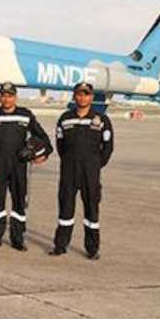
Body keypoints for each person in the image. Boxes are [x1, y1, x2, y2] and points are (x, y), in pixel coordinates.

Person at [0, 82, 52, 251]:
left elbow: (43, 138)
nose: (7, 99)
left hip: (19, 165)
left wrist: (42, 155)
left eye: (10, 95)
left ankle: (17, 239)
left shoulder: (25, 115)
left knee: (19, 203)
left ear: (15, 97)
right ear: (0, 97)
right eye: (4, 95)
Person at [50, 82, 114, 260]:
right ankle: (60, 245)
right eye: (79, 94)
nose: (82, 97)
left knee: (91, 212)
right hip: (69, 171)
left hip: (90, 172)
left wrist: (95, 165)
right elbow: (60, 145)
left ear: (91, 97)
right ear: (74, 96)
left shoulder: (101, 120)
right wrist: (70, 161)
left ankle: (92, 249)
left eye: (86, 94)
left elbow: (108, 147)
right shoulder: (65, 118)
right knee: (65, 210)